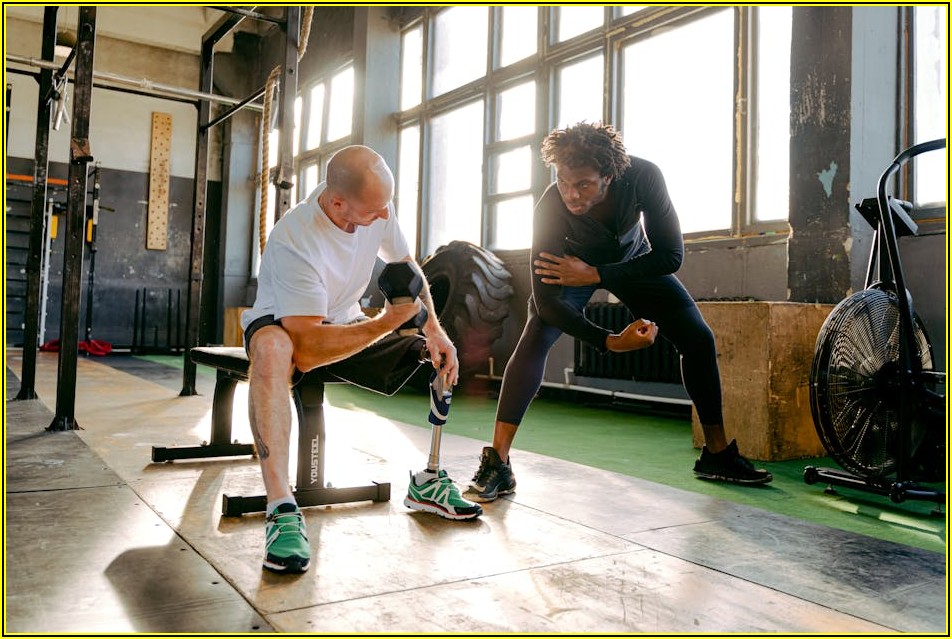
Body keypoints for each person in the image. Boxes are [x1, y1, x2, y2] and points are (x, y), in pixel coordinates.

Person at [464, 122, 772, 503]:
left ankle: (718, 455)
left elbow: (671, 256)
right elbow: (547, 303)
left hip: (632, 263)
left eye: (584, 185)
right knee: (535, 335)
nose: (571, 195)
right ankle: (498, 461)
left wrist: (597, 273)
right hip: (570, 272)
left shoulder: (644, 176)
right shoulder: (550, 206)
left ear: (609, 176)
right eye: (563, 182)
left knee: (698, 339)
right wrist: (608, 341)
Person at [242, 145, 481, 574]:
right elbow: (310, 351)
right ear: (337, 203)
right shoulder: (295, 239)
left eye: (386, 207)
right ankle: (280, 507)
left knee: (434, 351)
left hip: (345, 319)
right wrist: (389, 321)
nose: (384, 218)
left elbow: (406, 263)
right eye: (375, 211)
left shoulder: (374, 207)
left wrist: (435, 331)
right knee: (274, 351)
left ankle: (428, 479)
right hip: (285, 325)